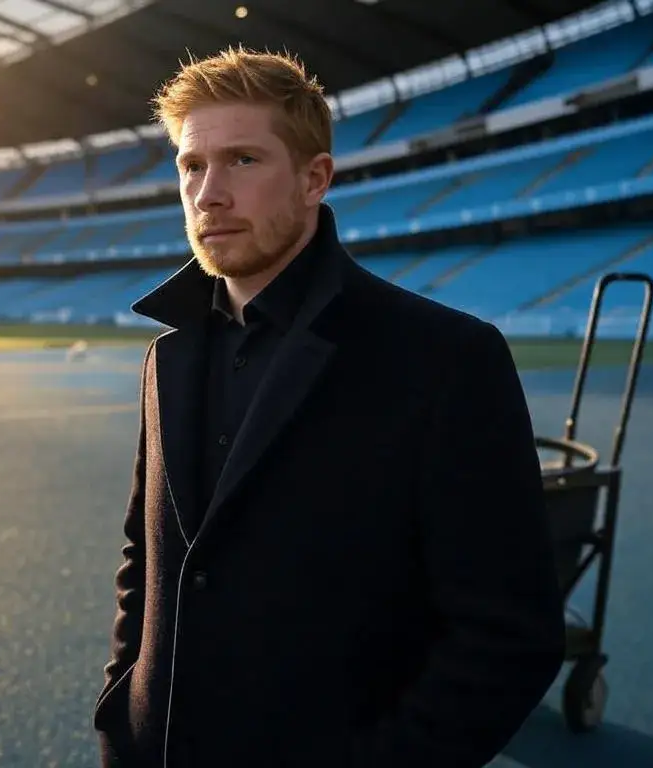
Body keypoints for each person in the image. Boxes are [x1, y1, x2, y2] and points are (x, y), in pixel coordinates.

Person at [92, 46, 566, 768]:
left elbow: (510, 636)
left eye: (243, 161)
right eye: (192, 166)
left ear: (315, 179)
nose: (209, 193)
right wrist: (124, 719)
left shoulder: (444, 358)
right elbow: (146, 558)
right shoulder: (168, 355)